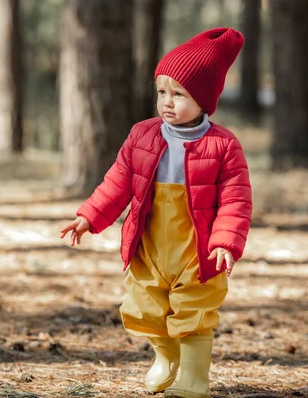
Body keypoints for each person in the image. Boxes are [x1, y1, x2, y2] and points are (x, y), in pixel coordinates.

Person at [60, 27, 252, 398]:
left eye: (179, 93)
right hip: (148, 240)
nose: (167, 101)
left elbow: (236, 199)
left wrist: (227, 241)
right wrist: (89, 216)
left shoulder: (223, 145)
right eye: (162, 92)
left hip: (197, 245)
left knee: (193, 307)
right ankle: (166, 359)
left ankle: (194, 375)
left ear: (204, 99)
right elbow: (117, 182)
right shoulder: (142, 135)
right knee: (144, 304)